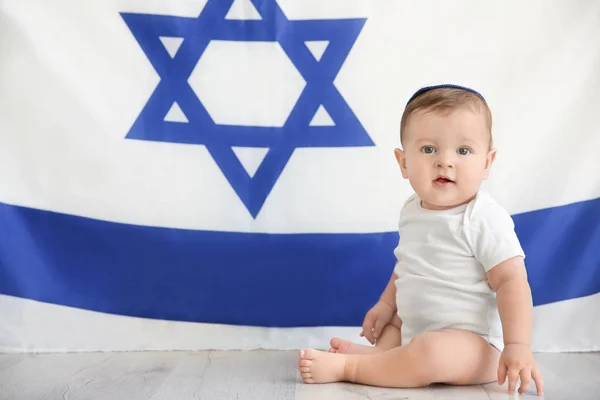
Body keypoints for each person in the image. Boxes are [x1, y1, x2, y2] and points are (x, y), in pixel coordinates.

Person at [297, 84, 544, 396]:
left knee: (430, 351)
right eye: (429, 149)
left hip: (476, 346)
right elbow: (408, 265)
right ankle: (384, 357)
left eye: (463, 151)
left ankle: (352, 368)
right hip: (418, 331)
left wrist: (518, 345)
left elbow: (512, 282)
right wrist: (386, 305)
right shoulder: (412, 209)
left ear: (487, 162)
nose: (445, 161)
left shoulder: (482, 218)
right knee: (397, 326)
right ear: (403, 163)